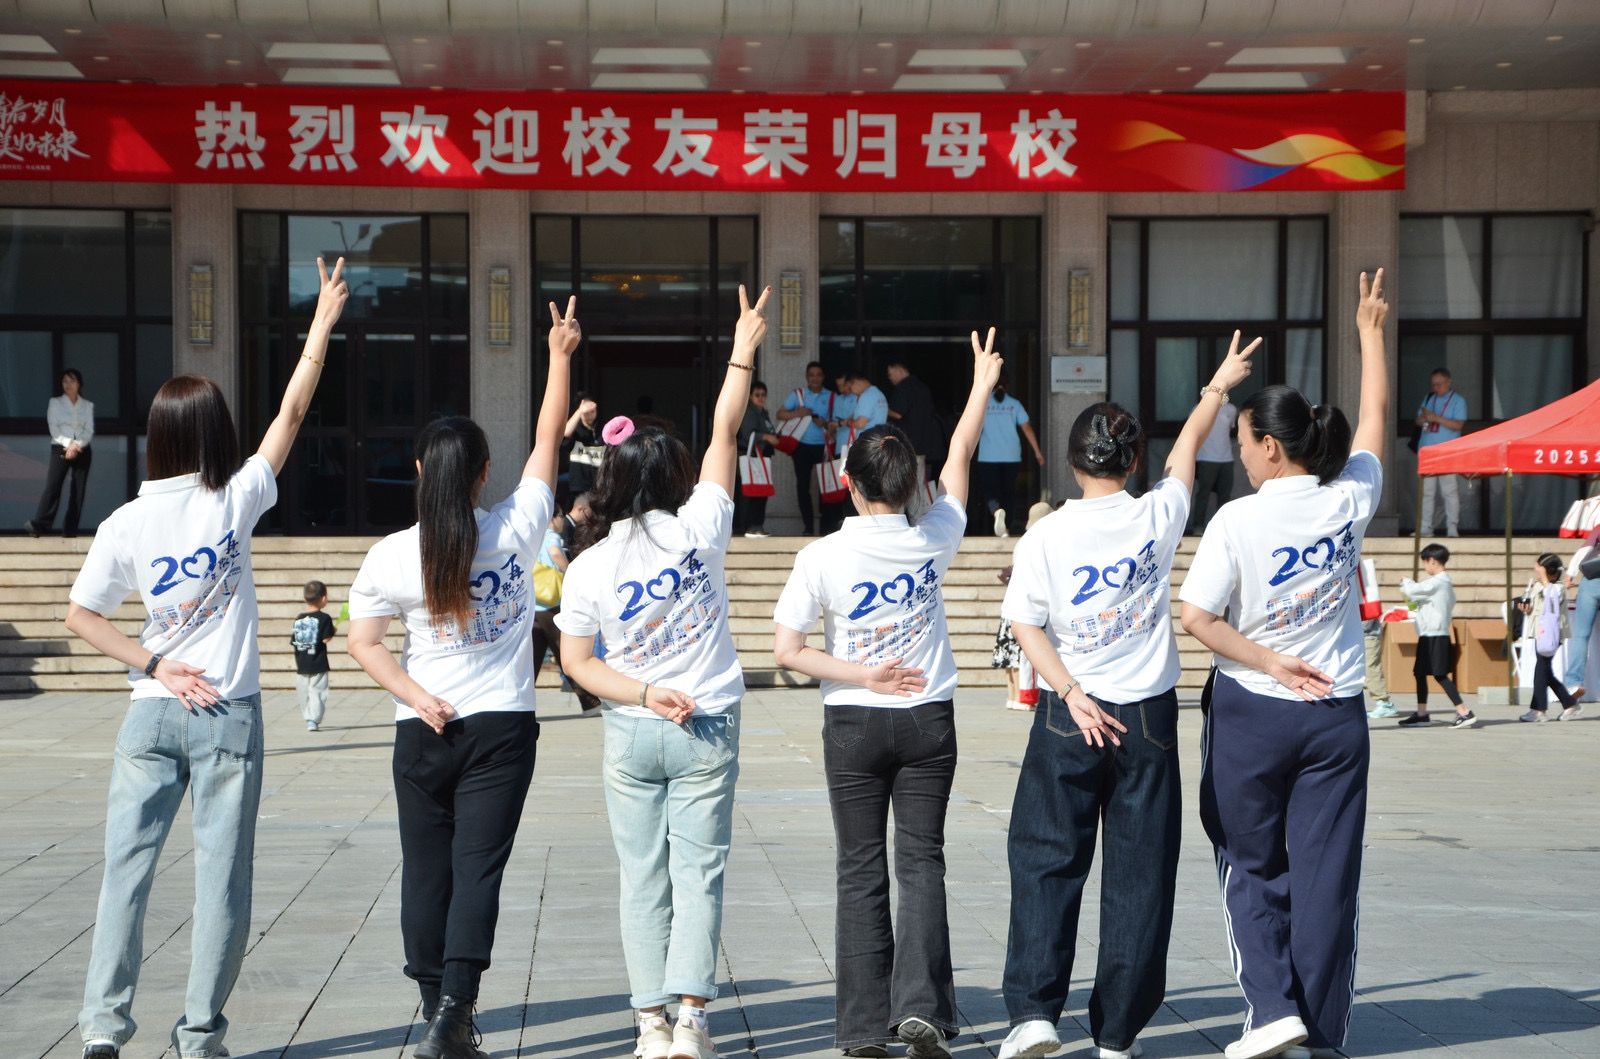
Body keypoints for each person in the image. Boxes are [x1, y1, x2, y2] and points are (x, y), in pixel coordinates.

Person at [63, 258, 348, 1059]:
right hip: (226, 712)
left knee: (126, 872)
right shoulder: (234, 496)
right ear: (214, 434)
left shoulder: (125, 521)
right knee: (221, 880)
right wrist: (320, 324)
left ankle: (102, 1029)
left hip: (150, 715)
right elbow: (292, 411)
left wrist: (152, 663)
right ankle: (198, 1038)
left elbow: (79, 614)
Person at [998, 332, 1257, 1059]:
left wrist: (1069, 689)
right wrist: (1217, 386)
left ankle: (1034, 1014)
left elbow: (1024, 622)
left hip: (1069, 711)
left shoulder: (1046, 534)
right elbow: (1186, 453)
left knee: (1046, 857)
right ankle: (1116, 1034)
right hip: (1147, 716)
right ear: (1132, 461)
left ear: (1073, 461)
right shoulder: (1157, 515)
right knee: (1141, 875)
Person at [344, 296, 579, 1059]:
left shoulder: (390, 554)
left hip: (424, 729)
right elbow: (548, 438)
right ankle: (454, 1011)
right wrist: (559, 355)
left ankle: (433, 1009)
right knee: (478, 871)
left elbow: (363, 643)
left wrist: (417, 695)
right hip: (501, 728)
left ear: (419, 471)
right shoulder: (516, 526)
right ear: (483, 474)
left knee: (426, 872)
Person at [772, 325, 1004, 1059]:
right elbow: (960, 455)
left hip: (852, 722)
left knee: (859, 868)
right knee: (922, 861)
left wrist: (860, 673)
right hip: (928, 717)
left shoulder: (821, 555)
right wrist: (980, 385)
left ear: (848, 483)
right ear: (909, 486)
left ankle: (863, 1027)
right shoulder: (934, 536)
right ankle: (923, 1010)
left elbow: (788, 649)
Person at [1178, 270, 1390, 1059]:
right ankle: (1321, 1031)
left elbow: (1197, 618)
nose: (1240, 457)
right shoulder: (1348, 499)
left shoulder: (1238, 520)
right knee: (1329, 875)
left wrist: (1268, 657)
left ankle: (1272, 1009)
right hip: (1337, 714)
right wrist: (1369, 333)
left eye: (1242, 443)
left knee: (1250, 861)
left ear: (1270, 445)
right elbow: (1375, 420)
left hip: (1253, 711)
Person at [557, 285, 769, 1059]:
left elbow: (577, 662)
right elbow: (725, 429)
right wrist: (742, 349)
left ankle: (649, 1024)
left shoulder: (590, 564)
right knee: (699, 874)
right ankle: (691, 1023)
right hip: (707, 722)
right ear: (673, 475)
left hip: (634, 728)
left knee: (642, 877)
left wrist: (645, 690)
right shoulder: (702, 526)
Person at [1395, 544, 1479, 729]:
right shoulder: (1439, 584)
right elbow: (1414, 600)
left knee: (1440, 674)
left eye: (1425, 562)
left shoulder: (1438, 582)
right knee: (1420, 673)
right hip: (1428, 634)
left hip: (1436, 634)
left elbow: (1411, 591)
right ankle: (1422, 714)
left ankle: (1464, 712)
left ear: (1432, 561)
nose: (1425, 566)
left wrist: (1406, 582)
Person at [990, 502, 1054, 713]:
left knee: (1012, 657)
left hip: (1012, 605)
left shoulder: (1023, 541)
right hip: (1029, 606)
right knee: (1024, 656)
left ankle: (1014, 696)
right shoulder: (1042, 540)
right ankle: (1025, 697)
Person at [27, 367, 95, 538]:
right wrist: (68, 444)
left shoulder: (87, 405)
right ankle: (40, 525)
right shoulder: (55, 403)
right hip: (60, 446)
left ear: (79, 384)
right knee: (53, 486)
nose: (68, 384)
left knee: (78, 490)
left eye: (72, 381)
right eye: (65, 381)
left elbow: (89, 430)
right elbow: (54, 428)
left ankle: (70, 530)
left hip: (82, 448)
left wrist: (76, 446)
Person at [975, 373, 1044, 538]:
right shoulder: (1014, 404)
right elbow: (1026, 428)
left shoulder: (983, 403)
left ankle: (996, 512)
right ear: (1007, 386)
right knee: (1009, 492)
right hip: (1011, 456)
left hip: (988, 456)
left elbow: (973, 427)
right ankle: (1007, 527)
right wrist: (1037, 452)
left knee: (991, 491)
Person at [1519, 553, 1578, 722]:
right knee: (1545, 671)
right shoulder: (1537, 585)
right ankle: (1569, 704)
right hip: (1540, 632)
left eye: (1539, 567)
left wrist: (1544, 579)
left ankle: (1538, 710)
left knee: (1541, 670)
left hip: (1553, 633)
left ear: (1548, 570)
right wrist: (1527, 609)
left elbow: (1551, 598)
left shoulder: (1557, 588)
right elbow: (1536, 608)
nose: (1536, 569)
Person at [776, 362, 833, 535]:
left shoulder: (831, 396)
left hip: (824, 447)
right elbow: (780, 414)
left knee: (827, 487)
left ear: (823, 377)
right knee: (803, 487)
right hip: (801, 447)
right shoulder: (798, 394)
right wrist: (797, 413)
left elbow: (837, 422)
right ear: (807, 377)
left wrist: (824, 423)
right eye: (811, 375)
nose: (815, 378)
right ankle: (808, 528)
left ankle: (826, 528)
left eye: (818, 374)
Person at [1415, 368, 1467, 538]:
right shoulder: (1429, 398)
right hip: (1427, 450)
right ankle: (1425, 528)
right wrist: (1424, 419)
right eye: (1433, 384)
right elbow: (1418, 420)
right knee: (1426, 492)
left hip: (1447, 451)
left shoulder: (1458, 401)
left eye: (1439, 384)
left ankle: (1452, 527)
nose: (1436, 387)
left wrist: (1436, 418)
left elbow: (1458, 425)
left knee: (1449, 491)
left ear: (1448, 382)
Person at [291, 579, 337, 732]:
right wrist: (333, 630)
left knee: (303, 692)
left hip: (302, 663)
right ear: (323, 598)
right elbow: (325, 639)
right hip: (319, 662)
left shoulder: (299, 618)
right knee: (317, 691)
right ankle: (314, 719)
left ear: (305, 598)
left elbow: (294, 641)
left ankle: (307, 716)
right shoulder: (325, 618)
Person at [886, 360, 945, 478]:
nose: (890, 378)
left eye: (890, 374)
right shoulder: (922, 386)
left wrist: (884, 409)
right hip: (927, 443)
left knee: (910, 479)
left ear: (900, 370)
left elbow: (897, 413)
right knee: (922, 477)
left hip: (911, 443)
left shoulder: (903, 387)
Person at [737, 380, 779, 539]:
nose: (761, 398)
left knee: (761, 491)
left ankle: (757, 525)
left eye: (763, 395)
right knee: (752, 493)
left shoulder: (763, 413)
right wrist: (766, 437)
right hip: (753, 456)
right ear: (750, 396)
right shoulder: (750, 412)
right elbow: (748, 435)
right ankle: (749, 525)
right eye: (757, 395)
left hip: (762, 457)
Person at [531, 504, 569, 682]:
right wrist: (569, 571)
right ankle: (586, 697)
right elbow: (554, 552)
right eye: (561, 516)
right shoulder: (551, 535)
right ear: (553, 518)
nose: (563, 520)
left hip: (534, 602)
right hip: (551, 603)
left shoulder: (534, 536)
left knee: (534, 655)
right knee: (565, 651)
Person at [1563, 525, 1599, 704]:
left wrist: (1570, 574)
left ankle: (1573, 683)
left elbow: (1585, 550)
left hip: (1592, 581)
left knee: (1581, 635)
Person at [1191, 398, 1237, 534]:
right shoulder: (1198, 407)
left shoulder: (1231, 409)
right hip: (1206, 457)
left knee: (1225, 495)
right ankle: (1198, 526)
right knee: (1203, 494)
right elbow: (1192, 431)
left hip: (1226, 458)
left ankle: (1222, 529)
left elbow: (1231, 428)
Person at [562, 392, 603, 500]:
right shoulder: (575, 431)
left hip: (599, 486)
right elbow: (565, 433)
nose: (590, 414)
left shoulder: (602, 430)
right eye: (587, 412)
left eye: (592, 411)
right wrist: (580, 410)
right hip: (579, 487)